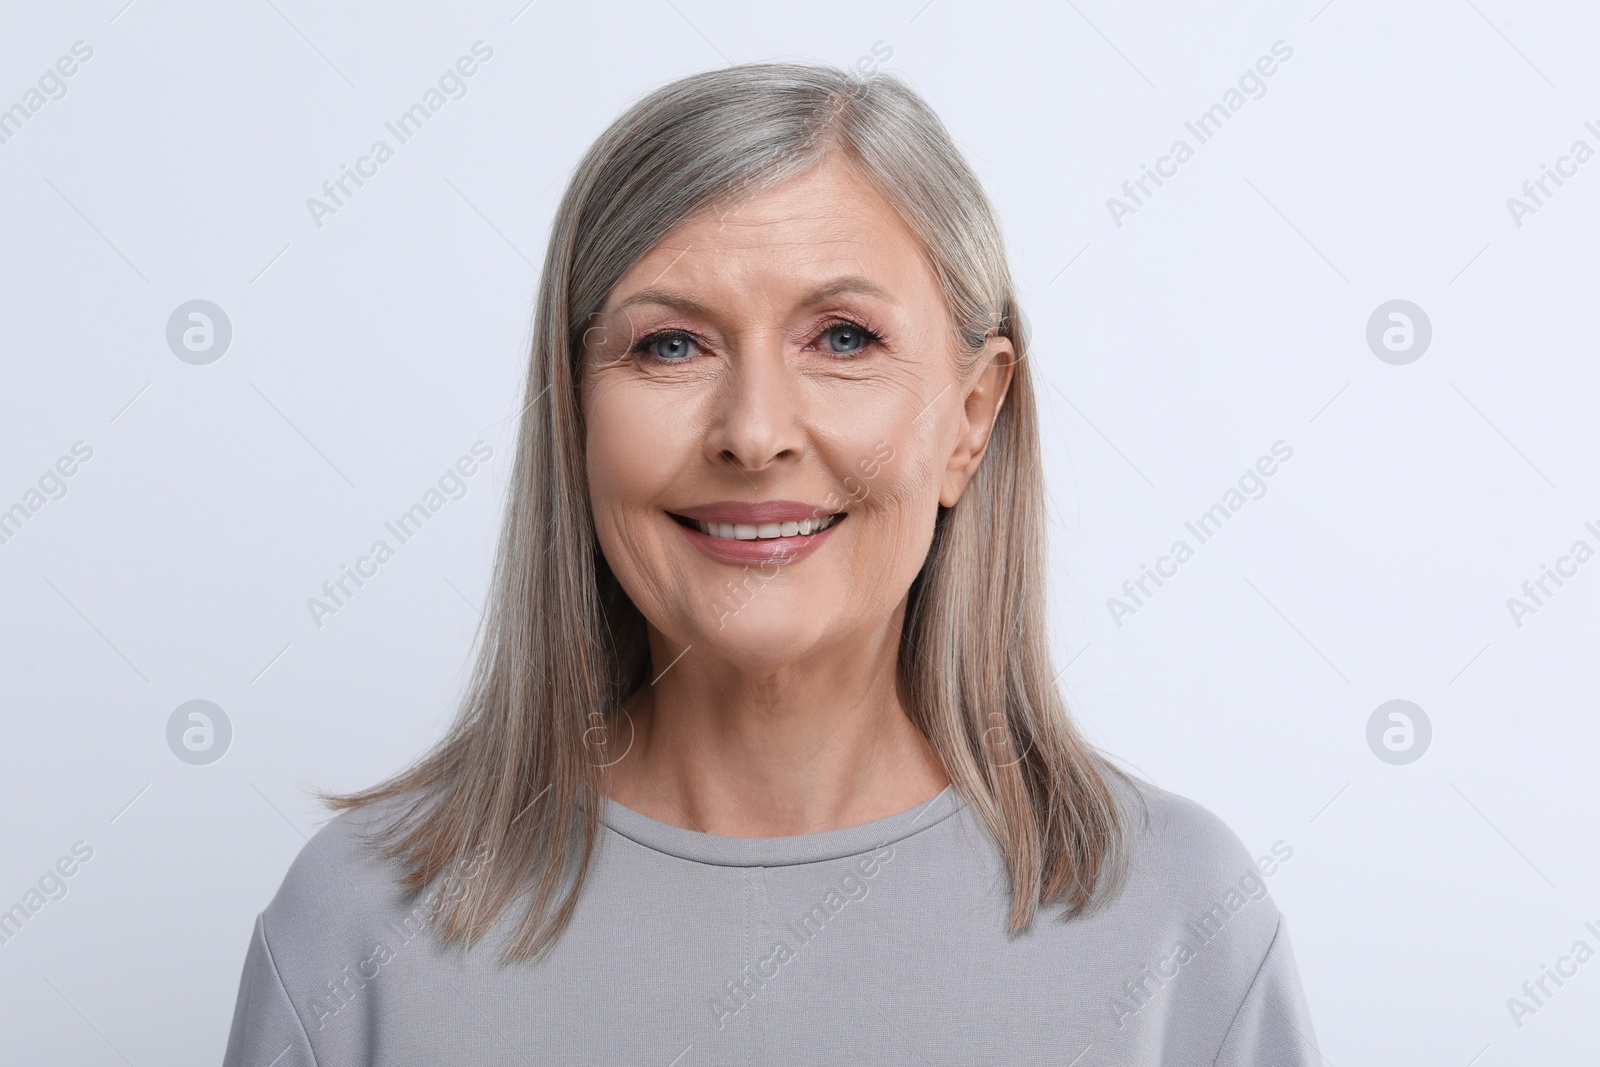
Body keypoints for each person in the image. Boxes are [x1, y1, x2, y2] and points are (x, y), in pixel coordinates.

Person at [222, 61, 1319, 1065]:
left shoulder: (1181, 922)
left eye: (842, 337)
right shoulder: (355, 929)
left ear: (970, 417)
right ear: (574, 416)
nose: (754, 431)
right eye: (670, 344)